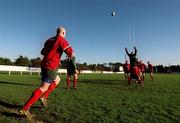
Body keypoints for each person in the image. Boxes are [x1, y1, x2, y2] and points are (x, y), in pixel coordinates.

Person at [19, 26, 74, 119]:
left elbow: (42, 52)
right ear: (63, 33)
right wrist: (70, 57)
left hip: (44, 64)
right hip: (51, 66)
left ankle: (44, 97)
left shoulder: (49, 40)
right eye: (65, 34)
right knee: (43, 87)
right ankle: (25, 109)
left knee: (57, 79)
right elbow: (70, 51)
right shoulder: (61, 40)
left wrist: (54, 56)